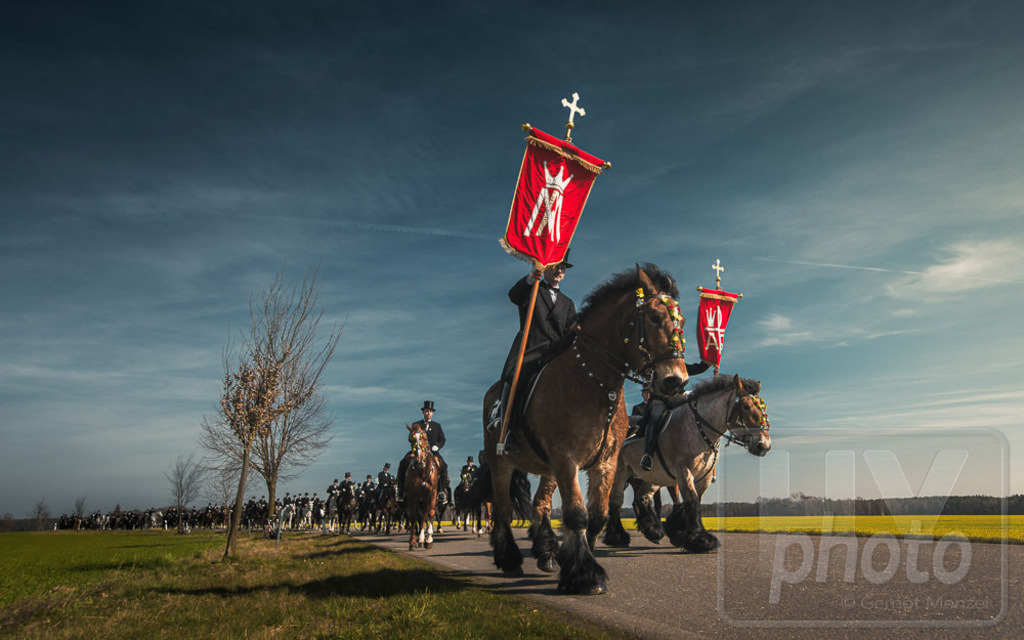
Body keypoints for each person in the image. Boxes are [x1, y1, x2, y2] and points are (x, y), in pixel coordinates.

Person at [495, 253, 577, 454]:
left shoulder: (568, 303)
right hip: (531, 348)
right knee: (516, 379)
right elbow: (513, 295)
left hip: (556, 354)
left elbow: (572, 331)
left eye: (563, 268)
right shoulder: (531, 290)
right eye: (556, 266)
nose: (559, 270)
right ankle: (509, 432)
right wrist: (531, 277)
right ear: (546, 267)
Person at [638, 361, 711, 471]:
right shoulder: (656, 363)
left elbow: (694, 369)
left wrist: (707, 364)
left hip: (678, 398)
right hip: (660, 399)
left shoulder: (679, 364)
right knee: (654, 417)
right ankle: (648, 455)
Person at [397, 401, 450, 502]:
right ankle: (401, 490)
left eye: (430, 411)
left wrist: (437, 446)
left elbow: (442, 439)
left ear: (432, 413)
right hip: (417, 451)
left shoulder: (436, 426)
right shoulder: (416, 424)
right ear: (423, 412)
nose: (428, 413)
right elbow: (410, 437)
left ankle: (441, 491)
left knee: (444, 466)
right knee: (403, 462)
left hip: (432, 452)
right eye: (426, 411)